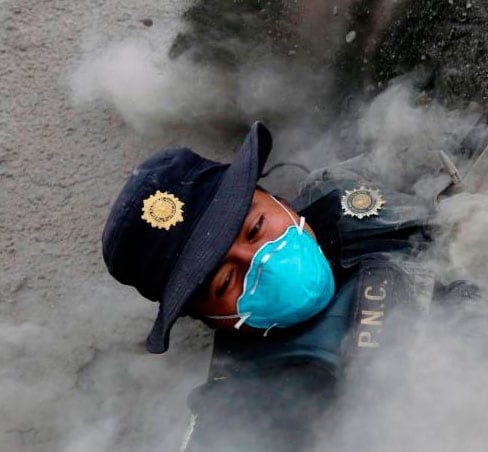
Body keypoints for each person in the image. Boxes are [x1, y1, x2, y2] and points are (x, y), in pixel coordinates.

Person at [102, 122, 438, 451]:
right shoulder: (241, 417)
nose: (261, 261)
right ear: (209, 318)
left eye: (256, 228)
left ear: (274, 198)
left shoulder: (348, 189)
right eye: (226, 282)